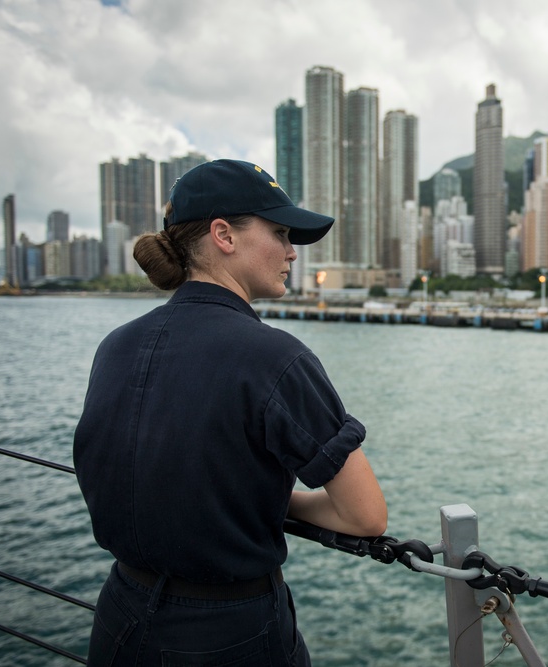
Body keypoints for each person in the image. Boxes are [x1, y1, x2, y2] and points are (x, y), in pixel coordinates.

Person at [73, 158, 387, 666]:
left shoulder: (116, 345)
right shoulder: (276, 358)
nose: (291, 252)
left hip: (118, 618)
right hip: (228, 635)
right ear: (224, 234)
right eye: (280, 232)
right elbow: (366, 516)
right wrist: (275, 502)